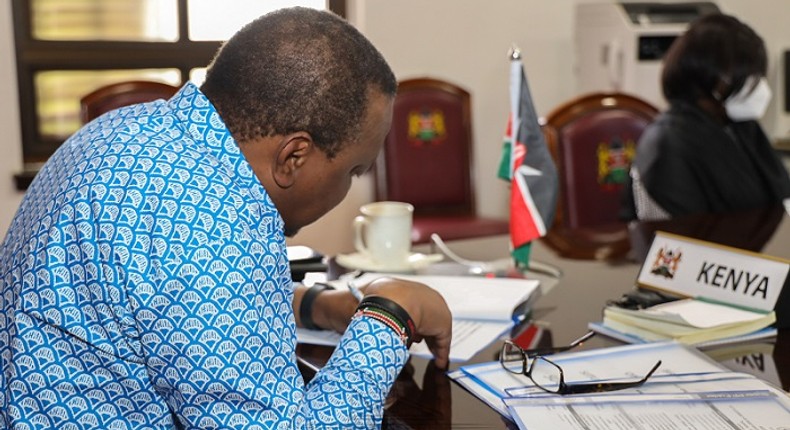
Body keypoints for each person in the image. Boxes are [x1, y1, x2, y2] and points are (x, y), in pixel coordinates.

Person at [0, 7, 452, 429]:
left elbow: (155, 294)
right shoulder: (211, 225)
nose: (349, 186)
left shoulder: (127, 130)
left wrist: (311, 304)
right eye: (353, 170)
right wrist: (392, 312)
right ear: (294, 157)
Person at [625, 13, 790, 220]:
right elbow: (682, 235)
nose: (759, 88)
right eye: (747, 77)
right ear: (713, 78)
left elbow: (780, 195)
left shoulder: (741, 127)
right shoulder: (668, 144)